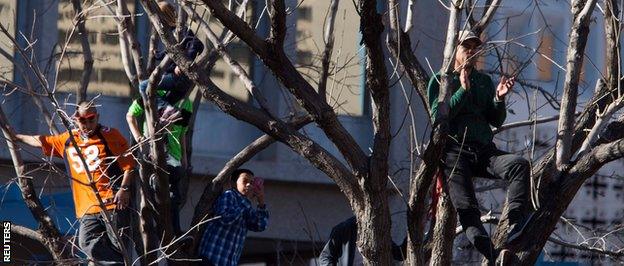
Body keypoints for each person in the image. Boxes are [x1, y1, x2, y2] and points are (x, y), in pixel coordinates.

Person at [427, 30, 531, 265]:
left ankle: (515, 225)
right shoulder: (441, 80)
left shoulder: (484, 81)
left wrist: (499, 98)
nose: (471, 52)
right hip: (454, 153)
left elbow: (495, 119)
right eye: (466, 47)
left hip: (483, 149)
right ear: (455, 50)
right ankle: (493, 256)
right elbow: (439, 117)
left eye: (475, 48)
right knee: (468, 210)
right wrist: (462, 90)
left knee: (520, 165)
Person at [10, 101, 135, 265]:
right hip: (87, 207)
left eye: (91, 120)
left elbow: (130, 166)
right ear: (76, 120)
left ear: (97, 117)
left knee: (119, 245)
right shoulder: (68, 140)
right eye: (83, 121)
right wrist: (17, 137)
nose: (88, 125)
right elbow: (42, 141)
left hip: (111, 203)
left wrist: (124, 188)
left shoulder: (111, 135)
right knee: (85, 241)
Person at [126, 92, 192, 234]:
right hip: (154, 154)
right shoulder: (152, 94)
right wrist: (139, 137)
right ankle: (171, 231)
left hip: (174, 157)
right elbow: (130, 115)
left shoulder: (186, 103)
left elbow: (182, 133)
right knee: (162, 194)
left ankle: (171, 231)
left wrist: (184, 158)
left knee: (175, 198)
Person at [139, 1, 204, 121]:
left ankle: (168, 111)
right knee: (166, 110)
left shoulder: (180, 30)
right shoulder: (169, 33)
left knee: (143, 86)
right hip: (181, 83)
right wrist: (157, 55)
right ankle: (168, 120)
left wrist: (182, 64)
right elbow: (172, 52)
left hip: (178, 78)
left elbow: (197, 44)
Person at [198, 169, 269, 266]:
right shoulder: (229, 195)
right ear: (233, 183)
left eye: (252, 183)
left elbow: (260, 225)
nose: (249, 185)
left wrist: (261, 201)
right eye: (245, 181)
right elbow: (224, 218)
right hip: (211, 259)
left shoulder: (246, 206)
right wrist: (246, 203)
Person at [319, 216, 406, 266]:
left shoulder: (378, 232)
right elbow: (325, 257)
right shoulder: (344, 229)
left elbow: (399, 254)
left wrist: (412, 234)